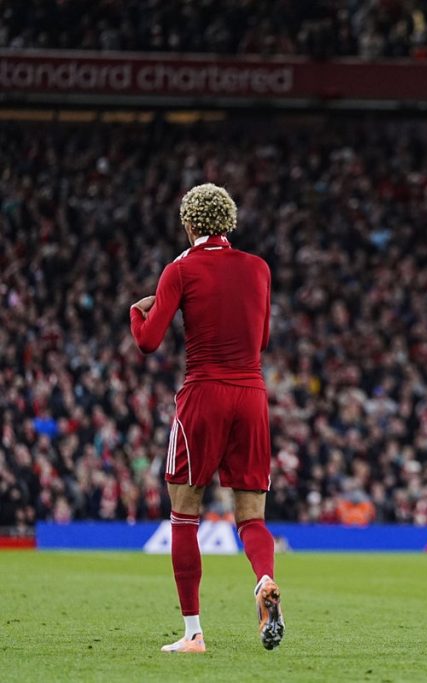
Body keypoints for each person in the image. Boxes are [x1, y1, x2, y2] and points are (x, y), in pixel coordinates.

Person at [129, 183, 283, 653]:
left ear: (189, 224)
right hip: (252, 395)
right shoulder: (258, 268)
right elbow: (262, 339)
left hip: (203, 393)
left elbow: (148, 342)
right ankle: (264, 579)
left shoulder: (180, 269)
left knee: (184, 514)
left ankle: (193, 632)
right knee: (251, 516)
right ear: (228, 223)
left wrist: (137, 311)